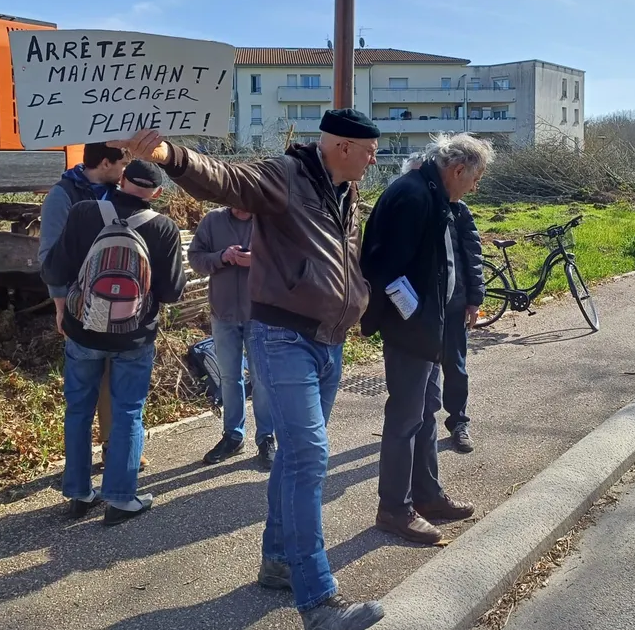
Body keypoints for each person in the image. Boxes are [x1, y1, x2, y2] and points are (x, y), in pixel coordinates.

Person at [112, 111, 385, 630]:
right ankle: (318, 602)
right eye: (370, 149)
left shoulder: (345, 193)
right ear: (345, 146)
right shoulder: (286, 175)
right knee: (309, 458)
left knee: (292, 459)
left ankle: (280, 561)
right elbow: (226, 178)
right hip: (284, 337)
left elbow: (346, 260)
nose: (375, 158)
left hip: (329, 341)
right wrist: (168, 155)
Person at [360, 133, 490, 545]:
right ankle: (394, 509)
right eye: (475, 178)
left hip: (431, 326)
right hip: (412, 330)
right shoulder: (413, 196)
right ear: (457, 169)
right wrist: (416, 319)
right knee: (405, 418)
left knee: (426, 411)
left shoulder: (434, 194)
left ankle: (427, 496)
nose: (475, 187)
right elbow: (383, 270)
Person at [42, 160, 187, 525]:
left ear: (120, 181)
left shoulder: (84, 211)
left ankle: (77, 492)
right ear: (157, 193)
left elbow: (55, 270)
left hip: (83, 329)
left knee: (78, 409)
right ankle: (121, 498)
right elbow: (171, 293)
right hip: (133, 336)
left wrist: (65, 305)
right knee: (127, 412)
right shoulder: (164, 228)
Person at [38, 143, 129, 468]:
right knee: (81, 387)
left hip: (115, 298)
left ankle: (111, 448)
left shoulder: (118, 191)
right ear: (105, 162)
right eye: (123, 161)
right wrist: (60, 305)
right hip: (79, 300)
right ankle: (77, 466)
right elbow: (49, 254)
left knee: (112, 377)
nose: (126, 168)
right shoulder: (62, 196)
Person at [397, 153, 483, 452]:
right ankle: (420, 426)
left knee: (455, 367)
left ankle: (459, 422)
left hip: (455, 303)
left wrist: (475, 299)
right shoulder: (408, 207)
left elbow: (472, 256)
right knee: (422, 372)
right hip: (419, 310)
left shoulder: (459, 210)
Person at [187, 206, 276, 469]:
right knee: (228, 377)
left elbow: (287, 261)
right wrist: (222, 257)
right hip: (223, 312)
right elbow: (195, 258)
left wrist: (258, 259)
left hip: (259, 313)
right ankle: (233, 436)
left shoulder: (269, 221)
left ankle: (266, 437)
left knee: (261, 378)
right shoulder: (213, 220)